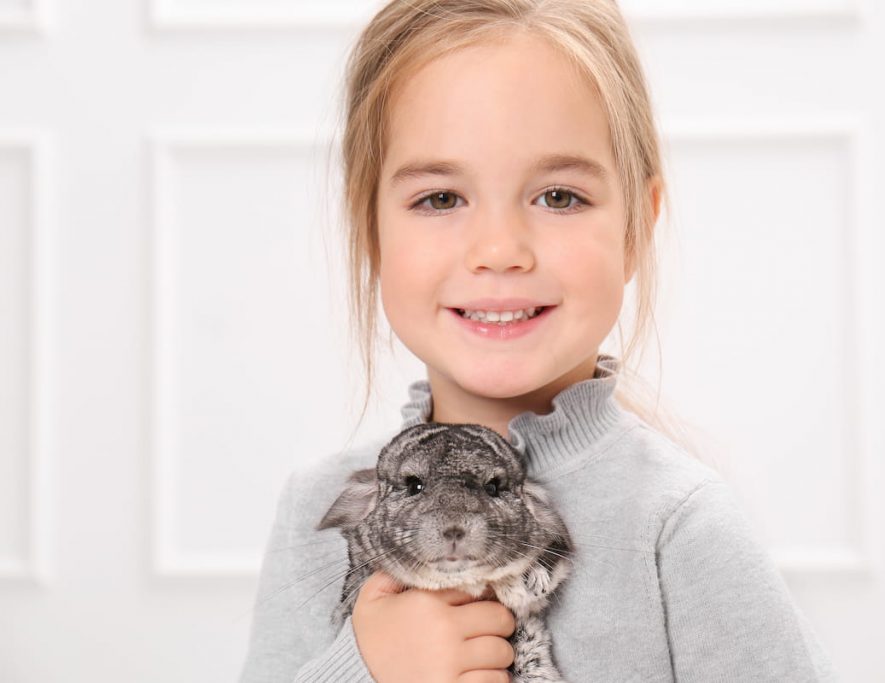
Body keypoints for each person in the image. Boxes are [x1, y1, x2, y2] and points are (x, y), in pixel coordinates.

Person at [240, 1, 839, 681]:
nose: (500, 250)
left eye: (558, 197)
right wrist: (365, 668)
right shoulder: (320, 508)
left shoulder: (679, 525)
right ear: (370, 227)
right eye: (440, 198)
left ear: (635, 228)